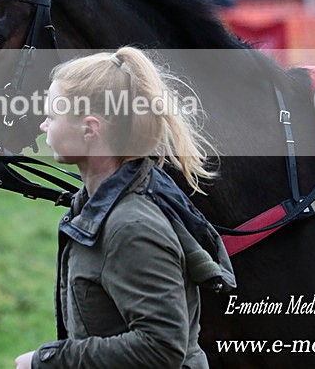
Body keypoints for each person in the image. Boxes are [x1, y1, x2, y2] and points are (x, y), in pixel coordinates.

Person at [15, 47, 235, 369]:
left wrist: (47, 361)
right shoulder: (95, 207)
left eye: (51, 116)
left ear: (89, 129)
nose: (43, 127)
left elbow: (162, 347)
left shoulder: (131, 227)